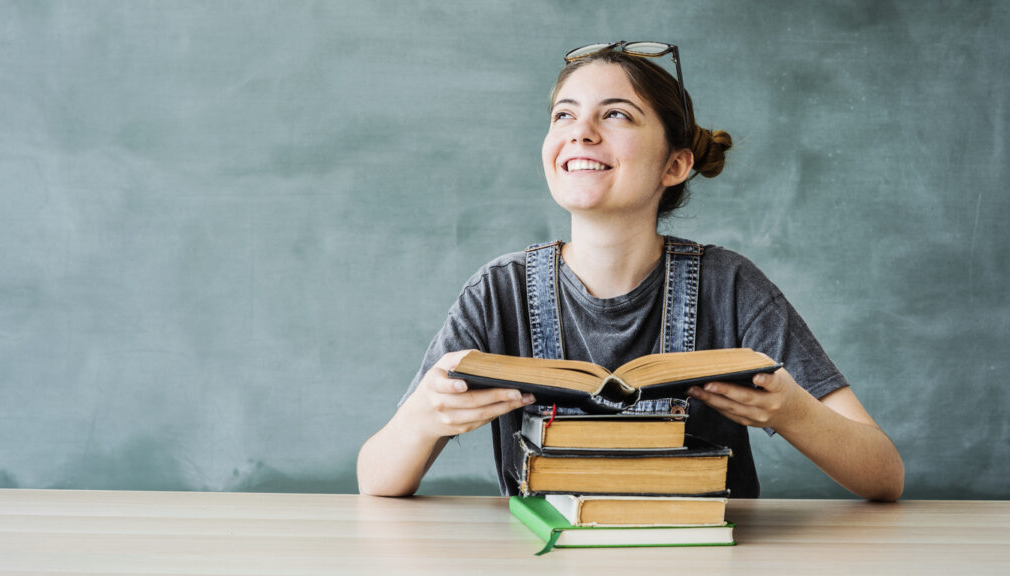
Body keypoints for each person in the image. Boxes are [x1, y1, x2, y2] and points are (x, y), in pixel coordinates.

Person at [357, 41, 904, 501]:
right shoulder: (499, 293)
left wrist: (794, 413)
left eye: (615, 114)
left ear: (675, 164)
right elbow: (375, 480)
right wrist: (421, 420)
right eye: (564, 114)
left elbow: (884, 475)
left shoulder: (731, 287)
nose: (582, 131)